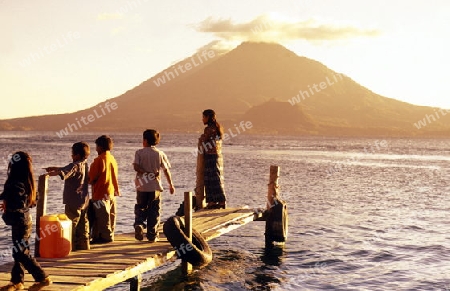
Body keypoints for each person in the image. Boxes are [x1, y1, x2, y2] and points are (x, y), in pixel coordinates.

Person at [0, 151, 52, 291]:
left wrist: (8, 204)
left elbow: (17, 201)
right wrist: (6, 201)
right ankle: (17, 281)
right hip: (24, 220)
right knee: (21, 250)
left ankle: (42, 278)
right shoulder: (27, 181)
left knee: (20, 253)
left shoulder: (15, 182)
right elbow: (32, 201)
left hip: (19, 221)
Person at [44, 142, 90, 251]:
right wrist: (57, 168)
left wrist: (52, 174)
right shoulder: (85, 164)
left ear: (77, 155)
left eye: (72, 154)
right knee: (83, 225)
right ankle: (84, 245)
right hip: (84, 200)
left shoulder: (74, 165)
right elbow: (70, 169)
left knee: (71, 224)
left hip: (73, 201)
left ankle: (69, 246)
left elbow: (66, 172)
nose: (71, 156)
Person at [133, 129, 175, 242]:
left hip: (141, 186)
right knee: (154, 211)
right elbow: (166, 170)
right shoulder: (160, 154)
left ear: (145, 140)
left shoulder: (139, 153)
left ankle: (140, 224)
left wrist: (145, 173)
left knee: (140, 207)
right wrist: (171, 184)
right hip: (154, 187)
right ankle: (152, 235)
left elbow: (136, 167)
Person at [88, 135, 120, 244]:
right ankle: (105, 235)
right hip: (111, 192)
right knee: (110, 217)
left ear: (100, 147)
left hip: (100, 193)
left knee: (101, 218)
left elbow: (91, 178)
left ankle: (105, 237)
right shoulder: (112, 159)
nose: (96, 149)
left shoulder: (99, 160)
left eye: (96, 147)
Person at [198, 109, 227, 209]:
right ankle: (218, 201)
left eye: (203, 117)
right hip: (216, 156)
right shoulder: (218, 128)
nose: (202, 119)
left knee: (210, 179)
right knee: (215, 178)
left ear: (208, 117)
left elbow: (203, 140)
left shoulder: (209, 129)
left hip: (210, 156)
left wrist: (201, 138)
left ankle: (213, 201)